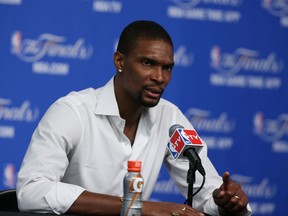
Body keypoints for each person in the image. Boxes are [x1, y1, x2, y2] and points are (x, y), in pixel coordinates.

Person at [16, 20, 252, 216]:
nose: (159, 77)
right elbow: (31, 192)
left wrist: (223, 201)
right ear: (120, 61)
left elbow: (205, 191)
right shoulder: (72, 111)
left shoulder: (170, 118)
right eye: (148, 63)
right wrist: (138, 207)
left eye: (167, 68)